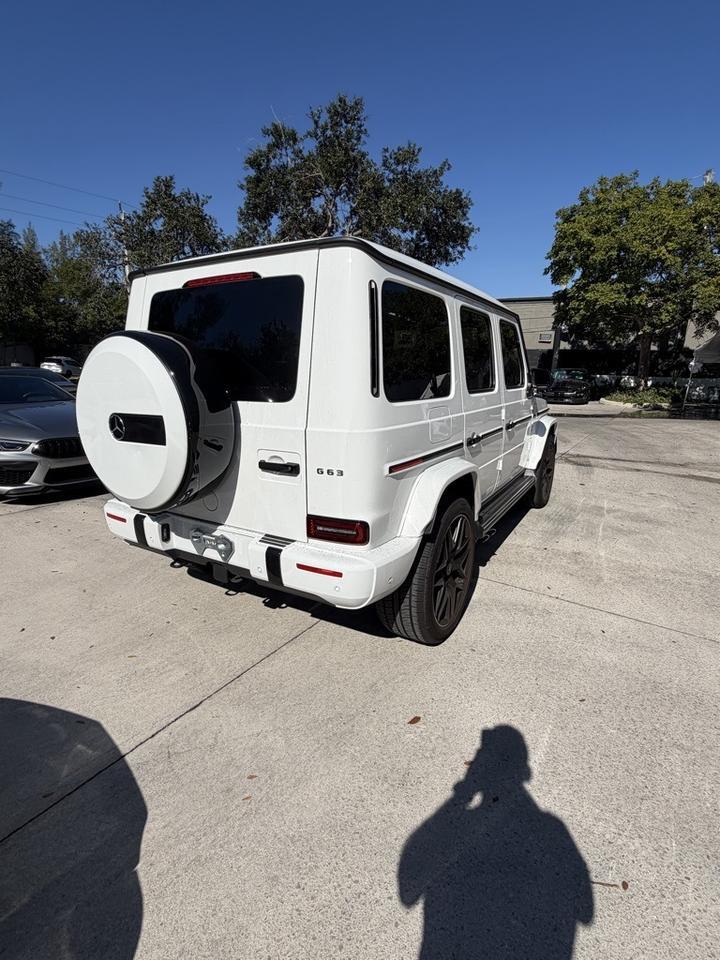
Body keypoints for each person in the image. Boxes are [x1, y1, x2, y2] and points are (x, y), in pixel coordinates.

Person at [399, 725, 593, 960]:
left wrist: (462, 795)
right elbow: (585, 909)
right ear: (524, 772)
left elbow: (409, 887)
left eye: (480, 757)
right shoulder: (550, 830)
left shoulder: (459, 830)